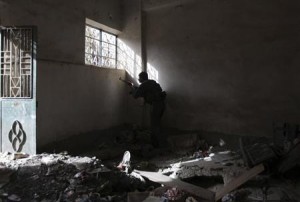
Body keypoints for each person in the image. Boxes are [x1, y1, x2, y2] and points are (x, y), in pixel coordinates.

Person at [131, 72, 166, 148]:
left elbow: (135, 95)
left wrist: (133, 89)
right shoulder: (152, 82)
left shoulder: (144, 84)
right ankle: (161, 143)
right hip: (162, 104)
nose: (138, 79)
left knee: (154, 125)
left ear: (142, 78)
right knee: (158, 124)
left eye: (139, 78)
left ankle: (156, 145)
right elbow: (148, 91)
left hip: (156, 105)